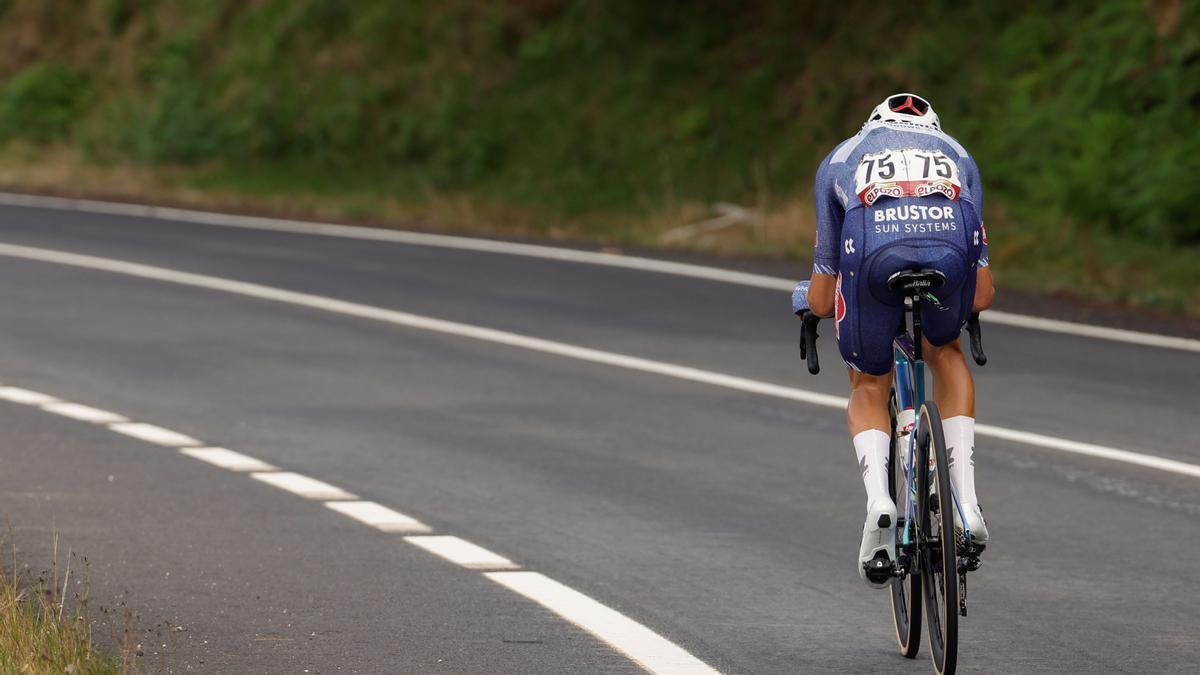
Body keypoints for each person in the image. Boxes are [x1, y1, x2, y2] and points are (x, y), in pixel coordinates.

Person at [791, 93, 995, 588]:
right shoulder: (958, 153)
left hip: (874, 256)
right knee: (945, 351)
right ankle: (965, 502)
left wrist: (803, 299)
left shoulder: (842, 157)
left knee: (867, 381)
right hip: (948, 253)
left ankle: (880, 500)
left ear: (870, 127)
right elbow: (983, 294)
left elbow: (823, 293)